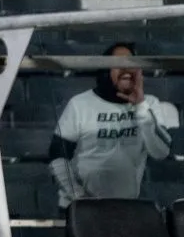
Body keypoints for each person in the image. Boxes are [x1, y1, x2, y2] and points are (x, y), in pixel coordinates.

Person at [49, 44, 172, 208]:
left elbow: (161, 152)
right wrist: (78, 197)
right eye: (118, 63)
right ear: (106, 71)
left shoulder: (149, 103)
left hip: (126, 206)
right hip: (81, 207)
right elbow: (58, 156)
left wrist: (141, 107)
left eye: (131, 63)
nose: (126, 68)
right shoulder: (79, 104)